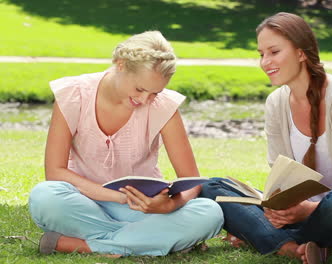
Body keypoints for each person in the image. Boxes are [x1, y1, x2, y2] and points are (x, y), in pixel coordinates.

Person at [200, 12, 332, 264]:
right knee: (214, 187)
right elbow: (285, 182)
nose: (265, 62)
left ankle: (268, 238)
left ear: (301, 52)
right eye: (261, 54)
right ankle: (294, 248)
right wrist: (279, 208)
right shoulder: (276, 103)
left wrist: (308, 210)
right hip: (306, 216)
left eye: (274, 52)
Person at [28, 30, 223, 257]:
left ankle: (81, 245)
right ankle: (156, 240)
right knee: (44, 196)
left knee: (210, 212)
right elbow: (55, 172)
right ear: (120, 64)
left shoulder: (164, 106)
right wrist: (121, 197)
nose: (144, 100)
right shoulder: (74, 94)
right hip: (82, 202)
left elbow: (191, 182)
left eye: (154, 92)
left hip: (143, 209)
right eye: (140, 89)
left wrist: (168, 206)